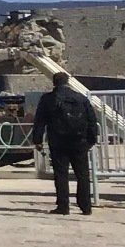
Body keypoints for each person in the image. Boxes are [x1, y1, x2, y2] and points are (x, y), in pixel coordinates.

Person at [30, 73, 99, 215]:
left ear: (54, 83)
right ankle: (85, 207)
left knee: (61, 175)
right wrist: (91, 140)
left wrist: (37, 141)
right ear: (67, 82)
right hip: (79, 142)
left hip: (58, 142)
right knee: (83, 175)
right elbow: (92, 120)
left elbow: (40, 122)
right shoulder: (81, 98)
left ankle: (63, 206)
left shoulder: (47, 99)